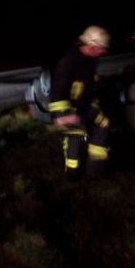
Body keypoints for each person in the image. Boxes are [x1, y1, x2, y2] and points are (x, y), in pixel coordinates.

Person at [48, 25, 111, 180]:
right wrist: (63, 115)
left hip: (83, 107)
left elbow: (88, 86)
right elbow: (58, 92)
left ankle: (95, 169)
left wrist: (94, 103)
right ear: (91, 46)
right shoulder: (68, 61)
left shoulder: (91, 60)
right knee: (76, 133)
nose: (103, 53)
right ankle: (72, 173)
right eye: (101, 49)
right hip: (65, 110)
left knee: (103, 123)